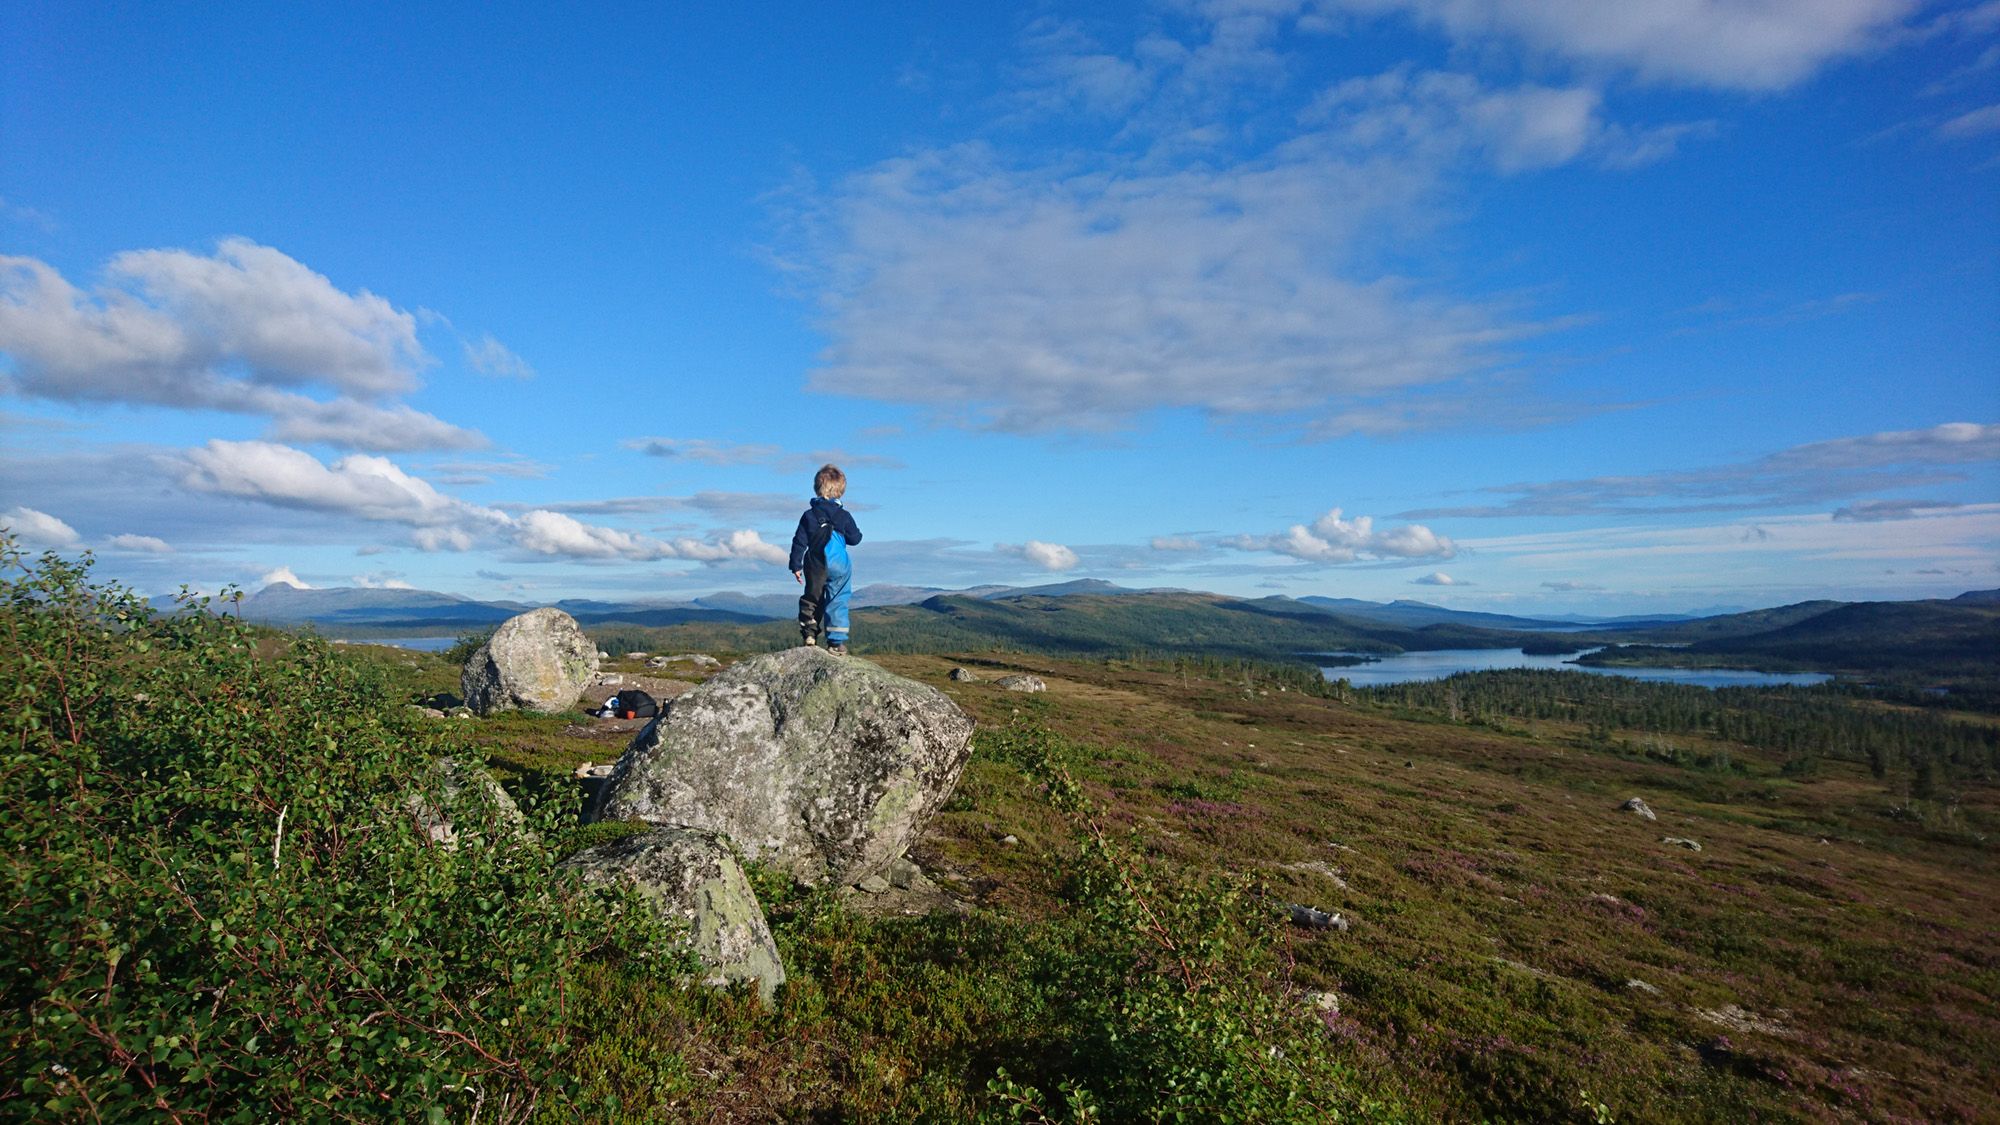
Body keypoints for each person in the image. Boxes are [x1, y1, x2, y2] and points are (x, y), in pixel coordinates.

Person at [789, 463, 863, 653]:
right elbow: (855, 539)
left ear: (817, 488)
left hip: (815, 563)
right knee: (838, 598)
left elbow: (799, 541)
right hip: (840, 565)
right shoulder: (844, 515)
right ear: (841, 491)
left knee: (812, 598)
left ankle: (810, 634)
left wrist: (795, 565)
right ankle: (836, 643)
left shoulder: (809, 515)